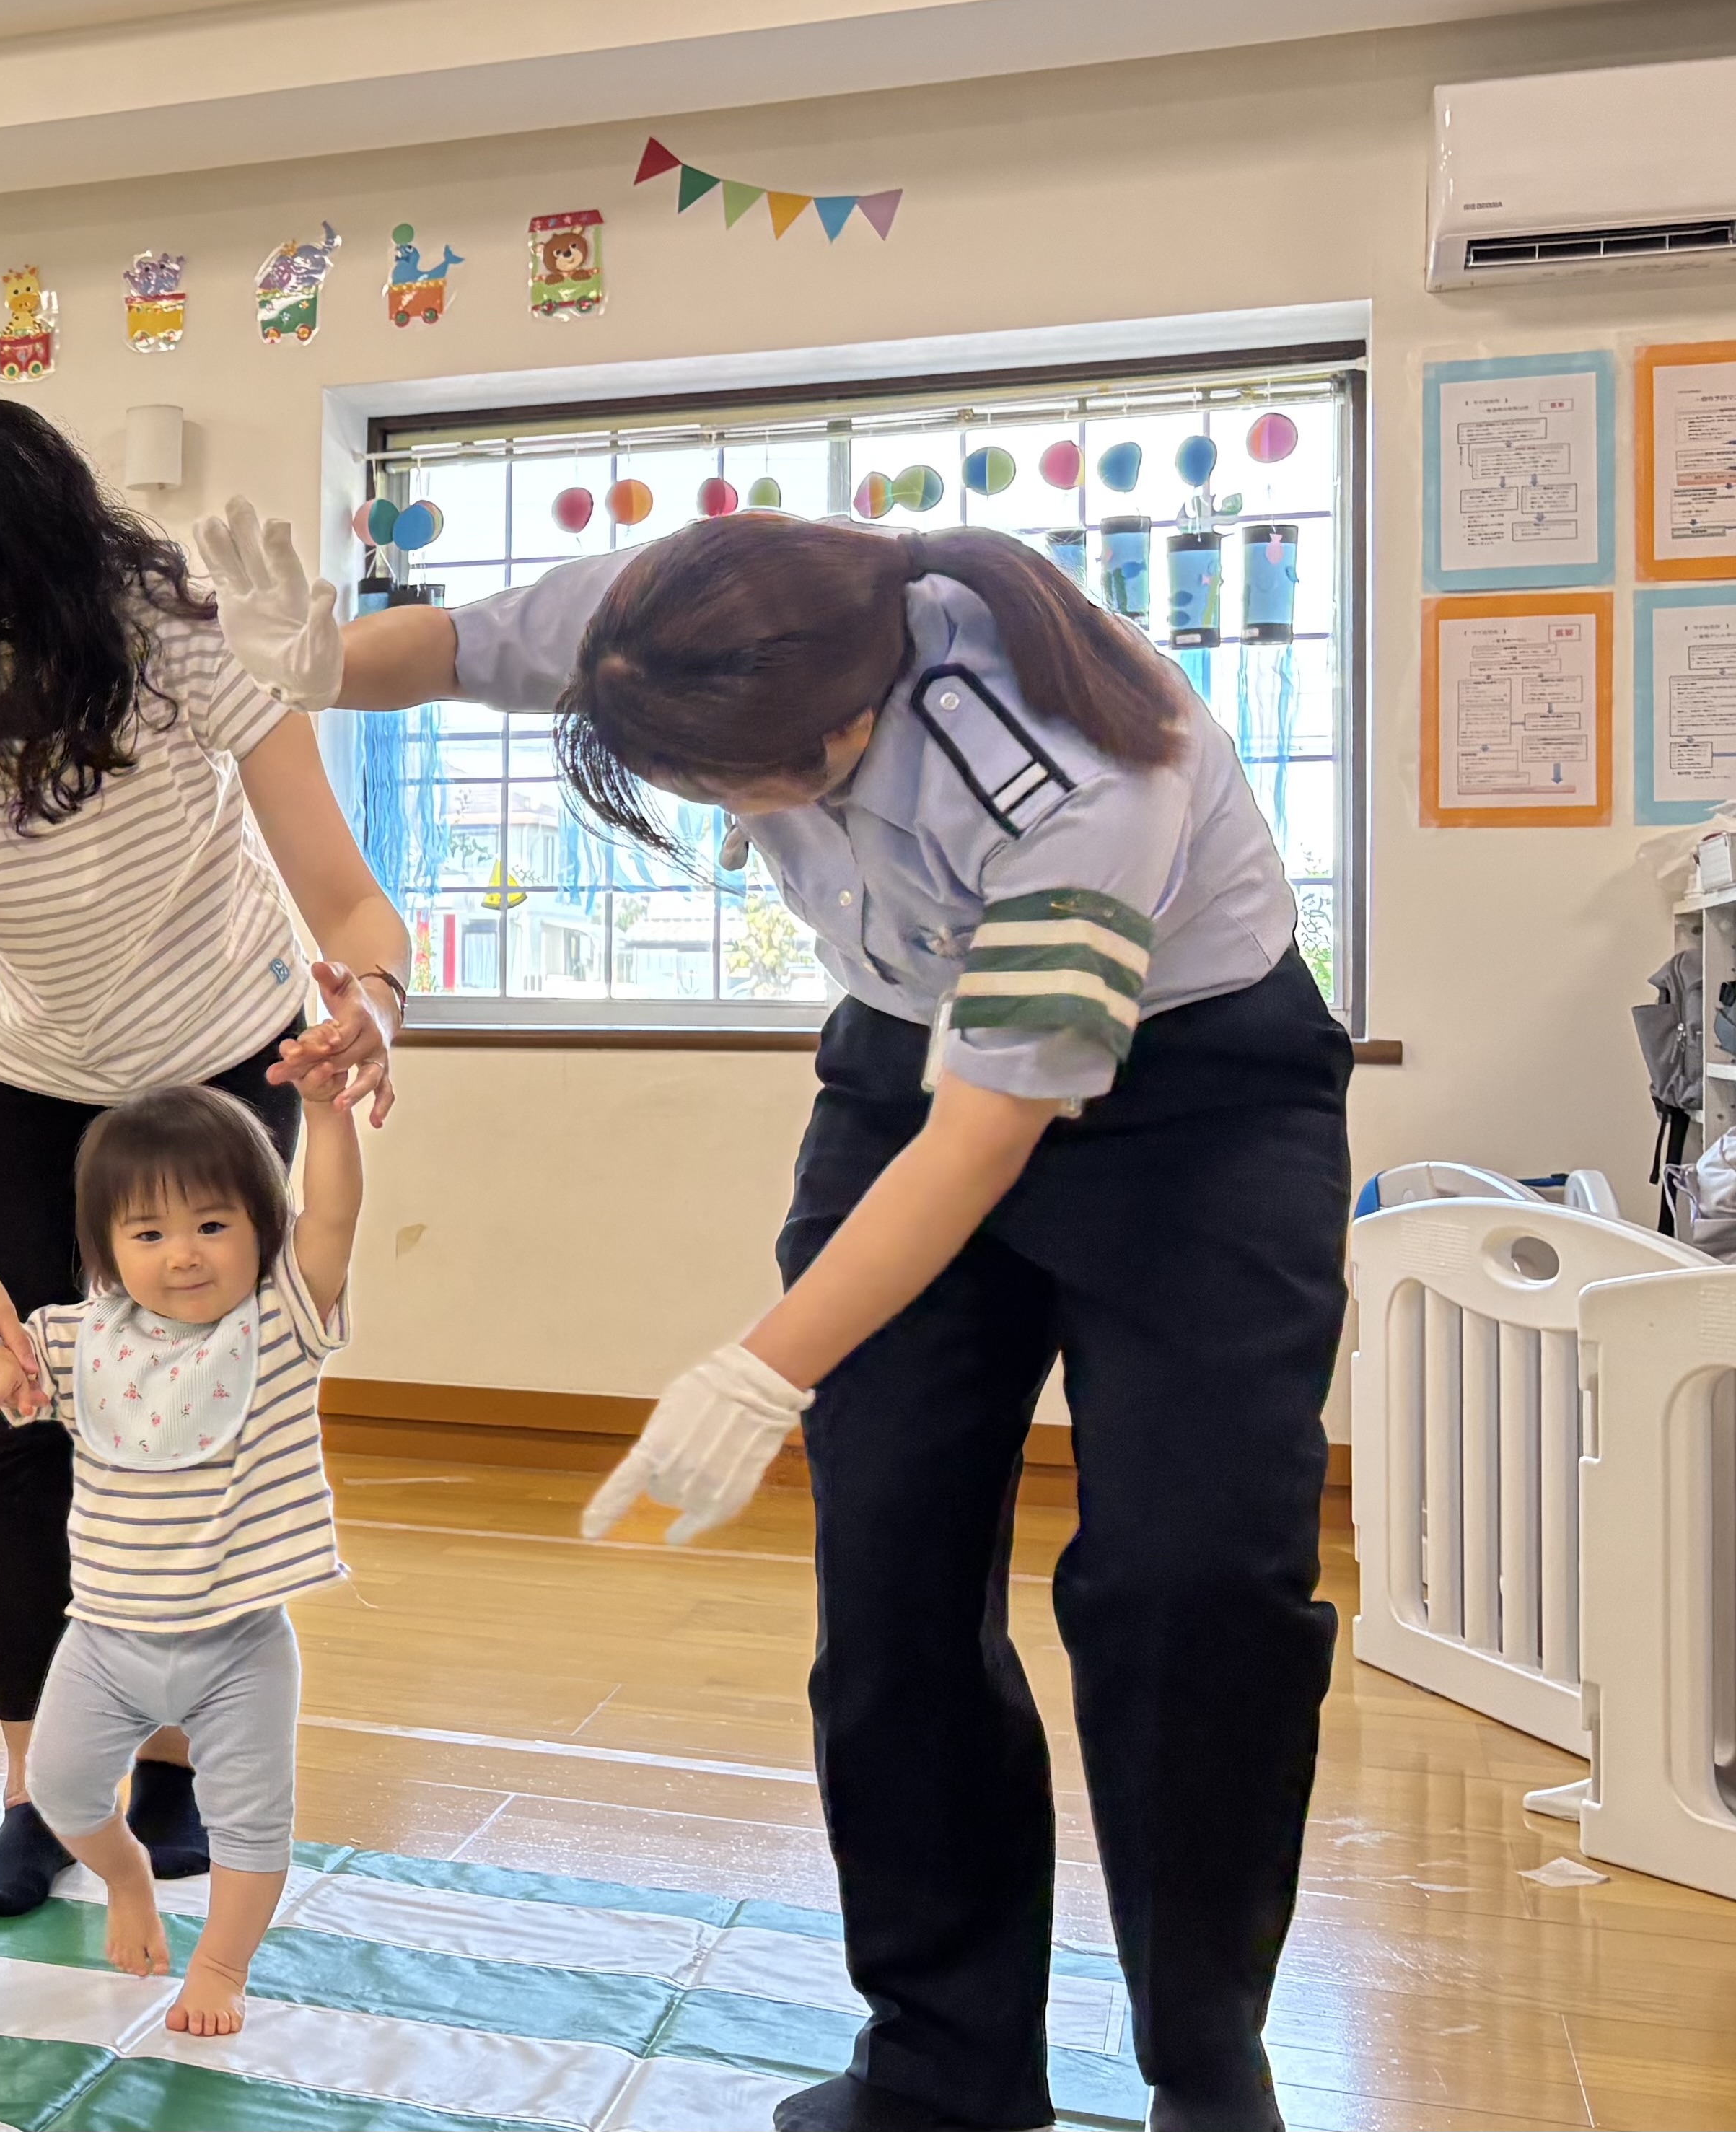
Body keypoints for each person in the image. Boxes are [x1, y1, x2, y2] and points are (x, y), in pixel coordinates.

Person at [256, 507, 1341, 2132]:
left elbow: (982, 1140)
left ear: (843, 728)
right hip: (909, 1056)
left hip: (1201, 1103)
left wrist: (759, 1367)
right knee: (891, 1568)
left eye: (729, 788)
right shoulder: (691, 612)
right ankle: (943, 2058)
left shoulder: (1078, 779)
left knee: (1195, 1583)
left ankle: (1207, 2064)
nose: (716, 812)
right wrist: (304, 668)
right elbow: (466, 648)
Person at [0, 400, 406, 1916]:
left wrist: (374, 1003)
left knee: (198, 1413)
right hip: (27, 1080)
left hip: (219, 1064)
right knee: (22, 1421)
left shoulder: (177, 642)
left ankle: (172, 1766)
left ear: (26, 577)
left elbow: (343, 896)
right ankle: (41, 1789)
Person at [0, 975, 367, 2037]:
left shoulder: (279, 1322)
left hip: (240, 1648)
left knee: (254, 1828)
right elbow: (9, 1383)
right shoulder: (79, 1335)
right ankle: (125, 1875)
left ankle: (220, 1966)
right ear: (104, 1249)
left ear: (262, 1229)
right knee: (61, 1792)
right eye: (148, 1233)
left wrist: (325, 1113)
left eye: (213, 1225)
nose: (183, 1253)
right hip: (104, 1640)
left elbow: (334, 1216)